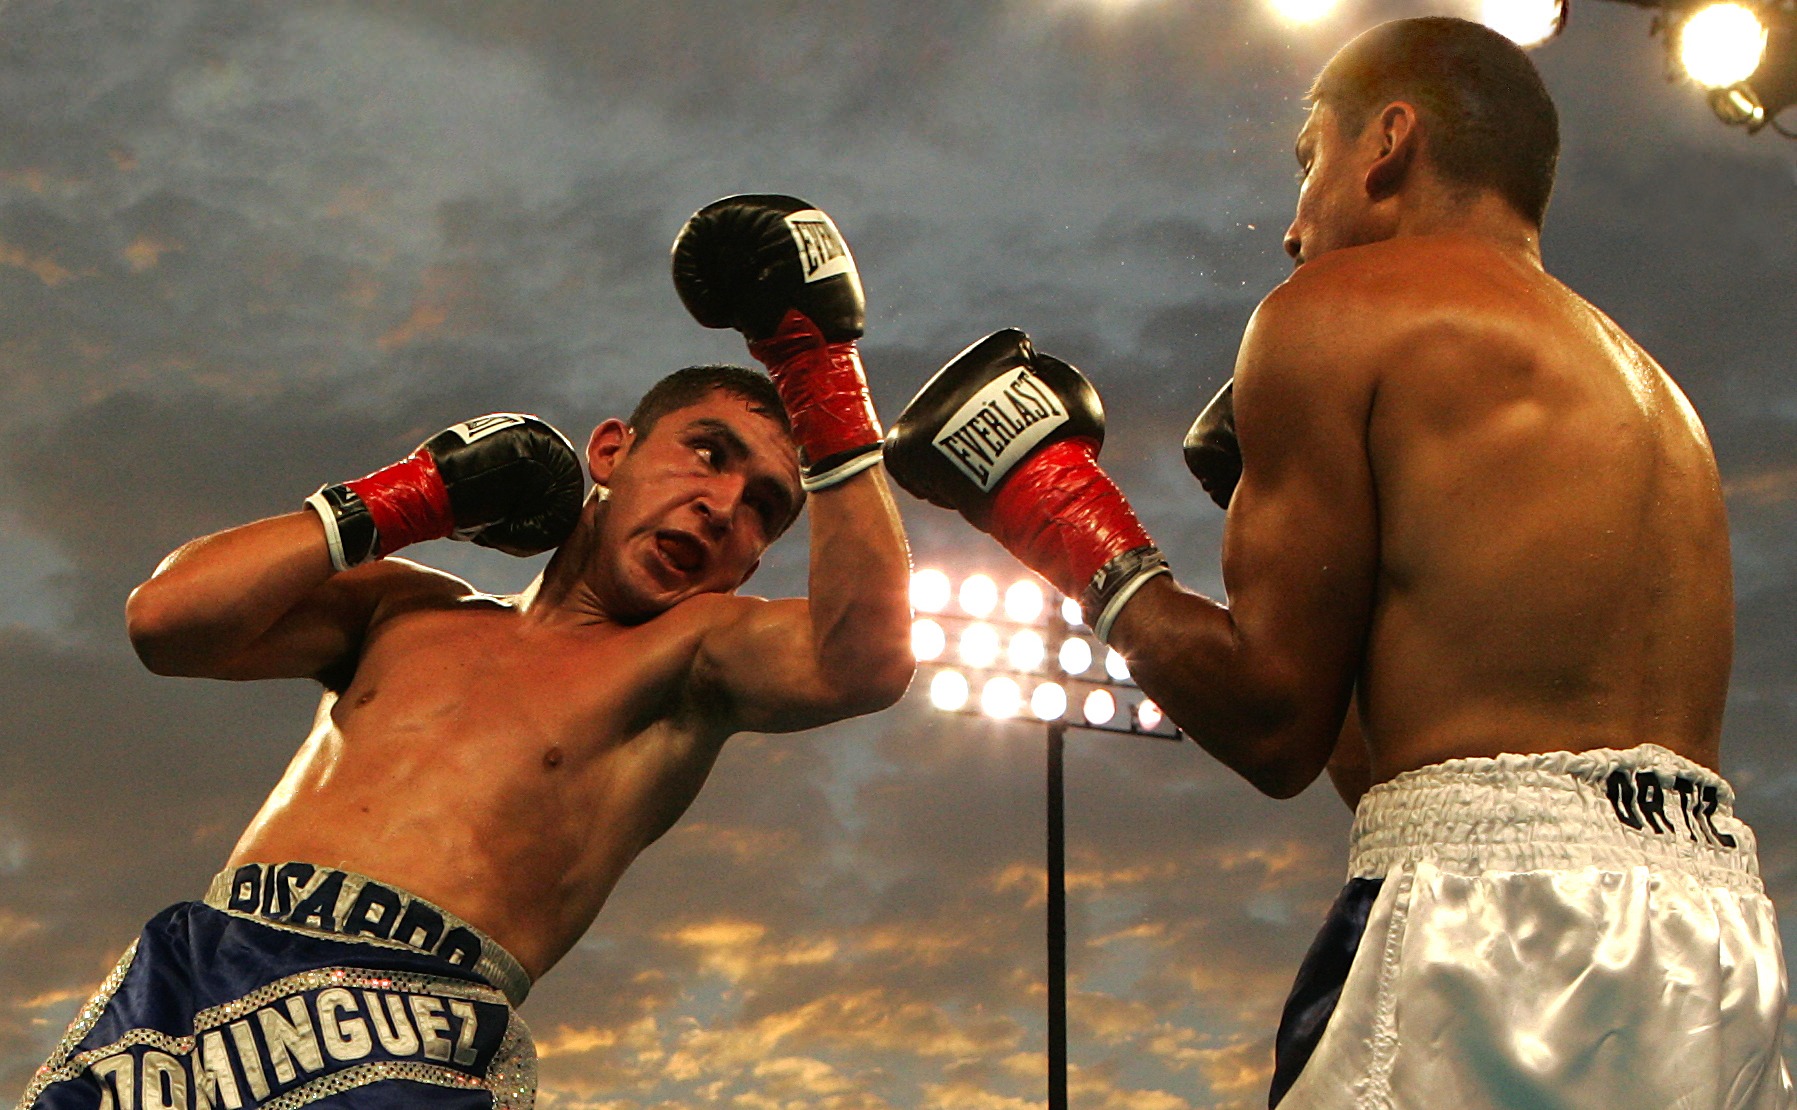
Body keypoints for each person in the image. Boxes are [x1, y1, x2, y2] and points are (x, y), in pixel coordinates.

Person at [883, 17, 1792, 1109]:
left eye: (1310, 158)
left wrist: (1060, 516)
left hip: (1486, 931)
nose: (1292, 227)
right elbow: (1389, 775)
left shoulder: (1334, 315)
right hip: (1718, 945)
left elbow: (1272, 726)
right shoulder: (1656, 396)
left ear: (1388, 142)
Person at [18, 195, 914, 1110]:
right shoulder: (410, 610)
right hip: (195, 983)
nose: (723, 506)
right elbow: (166, 621)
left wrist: (822, 376)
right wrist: (409, 497)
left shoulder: (691, 659)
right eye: (706, 453)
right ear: (612, 450)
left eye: (765, 503)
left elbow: (864, 661)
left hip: (410, 1031)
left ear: (757, 559)